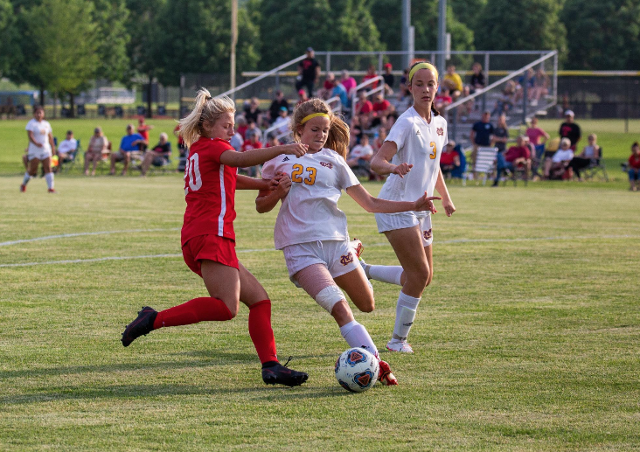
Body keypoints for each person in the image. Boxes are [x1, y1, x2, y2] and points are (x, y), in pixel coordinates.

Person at [121, 88, 309, 388]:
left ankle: (271, 365)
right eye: (226, 125)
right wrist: (281, 148)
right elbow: (242, 159)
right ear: (208, 126)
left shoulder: (201, 149)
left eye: (233, 125)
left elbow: (229, 177)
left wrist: (265, 183)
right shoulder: (212, 147)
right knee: (226, 307)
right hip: (211, 233)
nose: (232, 130)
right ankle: (152, 319)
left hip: (202, 234)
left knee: (260, 301)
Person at [256, 98, 441, 385]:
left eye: (325, 130)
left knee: (367, 304)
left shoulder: (336, 161)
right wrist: (277, 192)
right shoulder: (279, 160)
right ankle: (376, 363)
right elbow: (261, 206)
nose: (320, 135)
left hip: (337, 244)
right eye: (315, 129)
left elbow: (370, 203)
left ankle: (357, 259)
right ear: (298, 129)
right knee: (342, 310)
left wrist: (413, 204)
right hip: (301, 248)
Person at [370, 61, 456, 353]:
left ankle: (364, 269)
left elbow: (434, 166)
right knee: (418, 275)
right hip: (396, 205)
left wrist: (445, 197)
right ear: (409, 88)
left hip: (422, 208)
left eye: (430, 84)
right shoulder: (406, 122)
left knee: (423, 277)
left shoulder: (441, 123)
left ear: (438, 87)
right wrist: (394, 168)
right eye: (418, 84)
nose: (425, 89)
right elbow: (376, 162)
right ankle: (396, 342)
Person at [21, 105, 57, 193]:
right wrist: (36, 143)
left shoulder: (46, 124)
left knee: (48, 168)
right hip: (35, 150)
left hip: (45, 149)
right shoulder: (31, 123)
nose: (39, 114)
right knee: (33, 170)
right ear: (34, 114)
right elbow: (30, 136)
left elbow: (50, 137)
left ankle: (50, 188)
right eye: (37, 113)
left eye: (41, 113)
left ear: (43, 114)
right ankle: (24, 184)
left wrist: (53, 148)